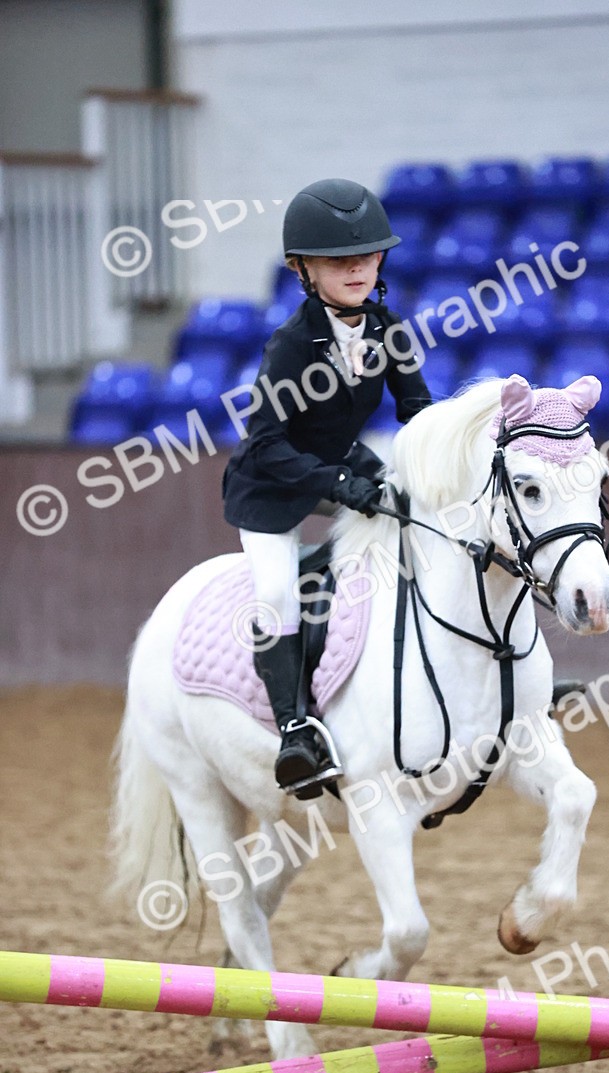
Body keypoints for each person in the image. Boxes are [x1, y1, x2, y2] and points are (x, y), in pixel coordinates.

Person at [222, 177, 431, 795]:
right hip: (270, 485)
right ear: (302, 270)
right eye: (340, 259)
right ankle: (294, 733)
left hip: (342, 464)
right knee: (278, 595)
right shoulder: (289, 347)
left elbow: (417, 411)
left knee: (421, 524)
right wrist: (341, 482)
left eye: (367, 255)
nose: (358, 268)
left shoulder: (388, 328)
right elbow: (265, 443)